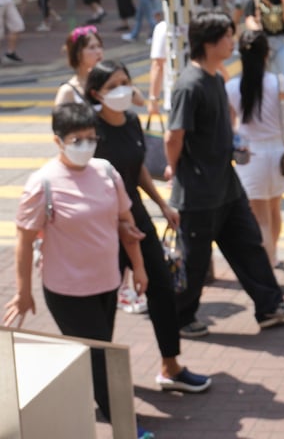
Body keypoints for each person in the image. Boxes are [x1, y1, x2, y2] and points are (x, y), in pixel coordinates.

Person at [3, 102, 152, 434]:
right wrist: (24, 292)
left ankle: (91, 406)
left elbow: (126, 223)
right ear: (58, 140)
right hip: (67, 289)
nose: (85, 145)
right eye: (76, 139)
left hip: (107, 282)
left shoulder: (106, 172)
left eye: (90, 137)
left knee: (95, 353)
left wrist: (139, 268)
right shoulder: (43, 183)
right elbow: (24, 242)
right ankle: (128, 425)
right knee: (100, 357)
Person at [165, 11, 284, 338]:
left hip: (227, 186)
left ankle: (269, 305)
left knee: (249, 245)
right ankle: (181, 318)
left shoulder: (215, 79)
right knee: (195, 260)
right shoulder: (189, 84)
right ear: (209, 43)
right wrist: (176, 168)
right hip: (198, 192)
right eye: (227, 36)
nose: (232, 42)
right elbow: (175, 137)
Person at [84, 61, 212, 394]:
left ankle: (170, 367)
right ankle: (100, 383)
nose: (122, 90)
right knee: (104, 304)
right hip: (104, 227)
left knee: (162, 290)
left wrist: (162, 204)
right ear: (96, 93)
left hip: (136, 219)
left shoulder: (130, 121)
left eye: (126, 82)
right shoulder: (89, 132)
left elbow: (137, 167)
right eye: (113, 86)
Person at [225, 30, 284, 267]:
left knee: (260, 217)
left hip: (250, 157)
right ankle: (273, 255)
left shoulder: (232, 87)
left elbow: (230, 127)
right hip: (279, 155)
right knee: (274, 209)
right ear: (267, 53)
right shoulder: (282, 83)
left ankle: (267, 263)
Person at [55, 26, 105, 105]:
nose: (98, 51)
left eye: (99, 46)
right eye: (92, 47)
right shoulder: (68, 91)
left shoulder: (109, 82)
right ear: (78, 54)